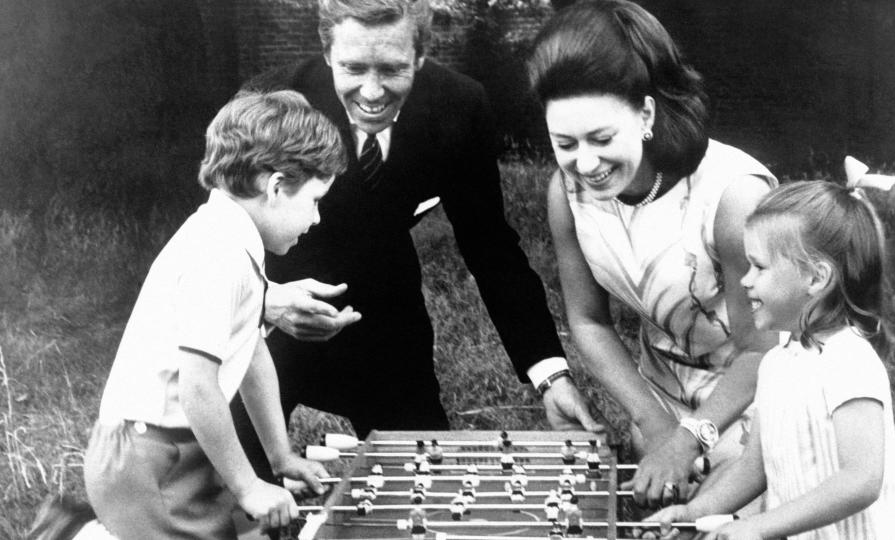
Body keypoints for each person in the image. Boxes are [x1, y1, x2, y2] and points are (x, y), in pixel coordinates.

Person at [232, 0, 602, 486]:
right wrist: (265, 303)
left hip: (387, 324)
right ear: (327, 52)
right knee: (226, 494)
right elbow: (214, 240)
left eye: (391, 69)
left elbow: (490, 246)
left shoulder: (459, 104)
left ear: (421, 56)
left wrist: (550, 375)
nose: (371, 90)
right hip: (267, 329)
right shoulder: (271, 100)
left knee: (426, 490)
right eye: (353, 68)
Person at [525, 0, 780, 508]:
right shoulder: (566, 193)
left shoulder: (732, 198)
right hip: (661, 389)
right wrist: (658, 425)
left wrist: (690, 439)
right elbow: (589, 322)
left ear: (645, 113)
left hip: (757, 389)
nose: (586, 163)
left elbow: (762, 349)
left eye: (601, 138)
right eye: (565, 143)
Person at [82, 90, 345, 538]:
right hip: (147, 460)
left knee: (242, 531)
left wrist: (279, 457)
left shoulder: (236, 236)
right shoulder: (217, 254)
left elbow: (252, 356)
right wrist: (247, 487)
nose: (318, 219)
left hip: (180, 447)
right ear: (276, 187)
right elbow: (198, 385)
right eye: (316, 200)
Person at [648, 173, 895, 539]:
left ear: (815, 278)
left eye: (759, 267)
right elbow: (755, 466)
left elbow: (861, 480)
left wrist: (759, 527)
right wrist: (693, 513)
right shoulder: (778, 361)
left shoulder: (849, 360)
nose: (745, 280)